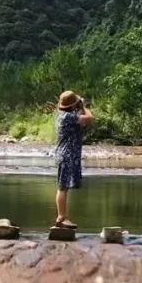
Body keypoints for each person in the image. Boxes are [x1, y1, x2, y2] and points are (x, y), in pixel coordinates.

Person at [53, 90, 92, 228]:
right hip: (66, 155)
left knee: (63, 187)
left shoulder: (62, 115)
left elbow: (81, 121)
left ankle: (63, 217)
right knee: (62, 187)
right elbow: (89, 118)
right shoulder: (67, 117)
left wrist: (78, 106)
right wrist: (82, 106)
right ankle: (61, 217)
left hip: (64, 154)